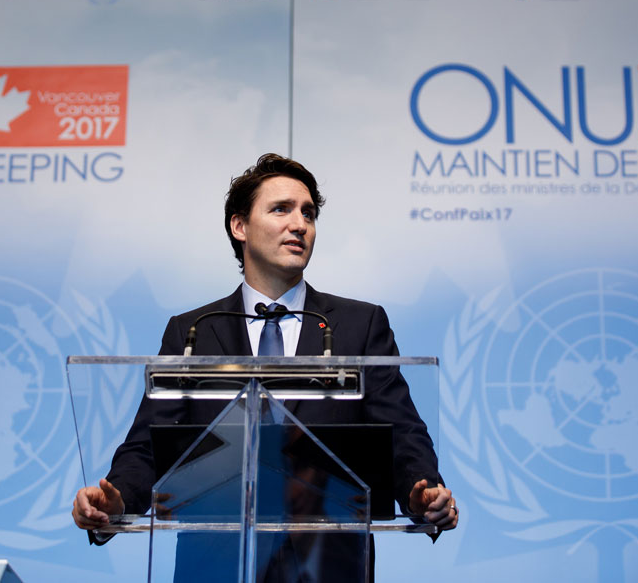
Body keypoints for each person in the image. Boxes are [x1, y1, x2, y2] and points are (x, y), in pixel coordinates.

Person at [72, 153, 458, 576]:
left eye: (308, 214)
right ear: (240, 226)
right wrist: (117, 499)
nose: (300, 225)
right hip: (216, 562)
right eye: (281, 209)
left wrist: (423, 491)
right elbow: (147, 444)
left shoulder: (359, 325)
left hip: (329, 563)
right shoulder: (193, 331)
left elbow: (402, 433)